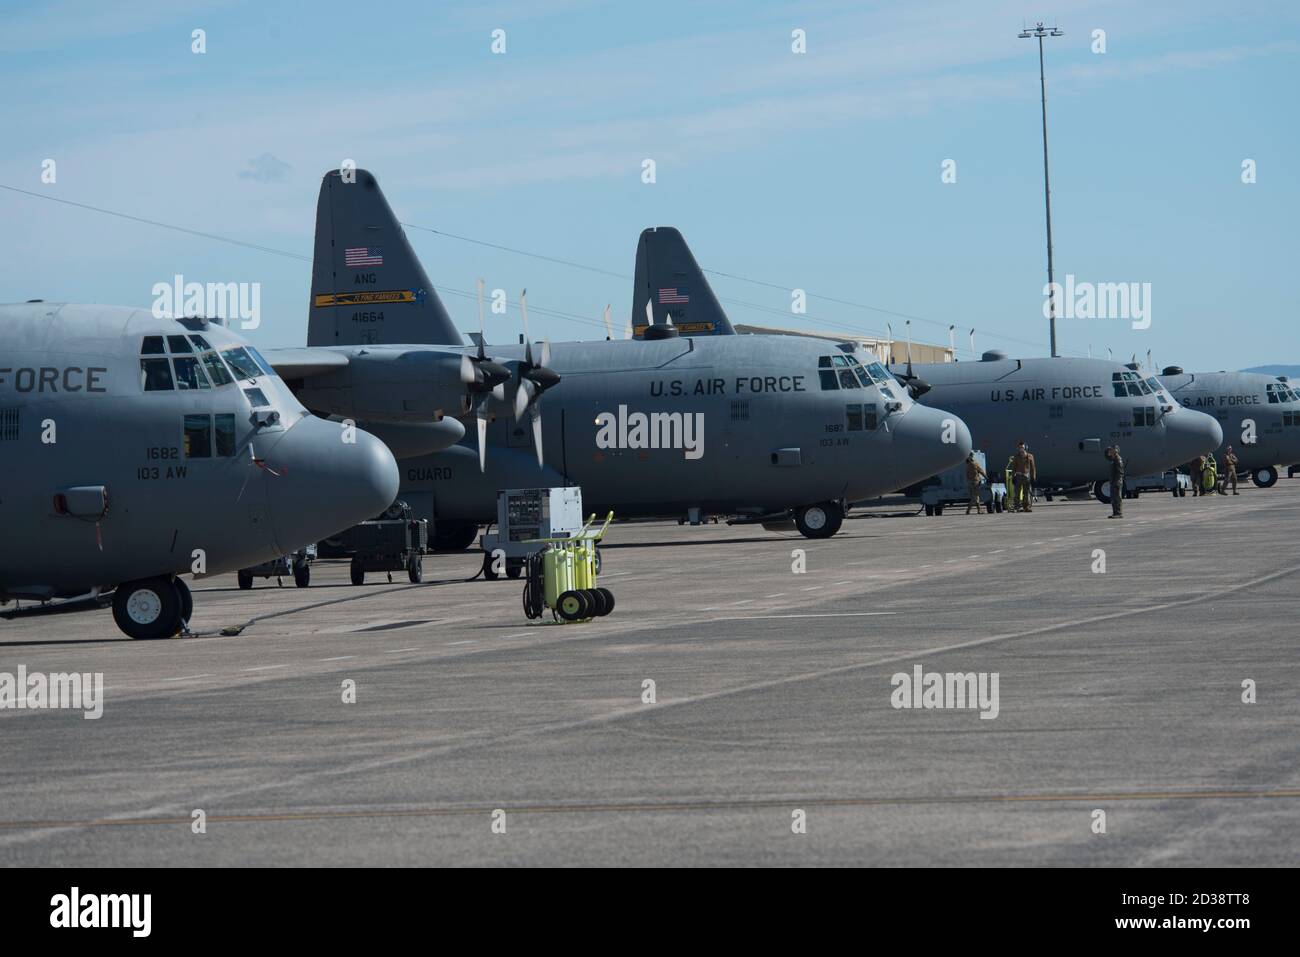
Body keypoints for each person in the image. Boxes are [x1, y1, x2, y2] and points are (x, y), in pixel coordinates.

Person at [1010, 440, 1036, 512]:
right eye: (1020, 447)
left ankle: (1026, 507)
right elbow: (1013, 468)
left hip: (1026, 477)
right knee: (1017, 493)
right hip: (1018, 476)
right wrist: (1013, 477)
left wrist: (1033, 477)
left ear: (1025, 448)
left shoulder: (1030, 456)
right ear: (1018, 448)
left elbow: (1033, 468)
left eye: (1023, 447)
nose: (1021, 449)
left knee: (1026, 493)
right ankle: (1016, 507)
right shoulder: (1016, 457)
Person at [1105, 445, 1125, 518]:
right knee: (1113, 498)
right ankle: (1115, 513)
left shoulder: (1118, 459)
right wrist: (1106, 450)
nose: (1111, 451)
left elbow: (1120, 472)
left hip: (1117, 481)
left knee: (1117, 497)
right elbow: (1107, 457)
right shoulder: (1113, 459)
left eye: (1112, 450)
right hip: (1114, 481)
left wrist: (1117, 481)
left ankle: (1118, 513)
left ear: (1116, 451)